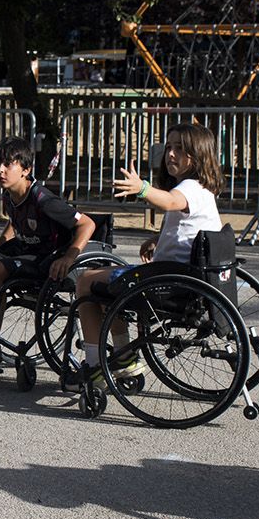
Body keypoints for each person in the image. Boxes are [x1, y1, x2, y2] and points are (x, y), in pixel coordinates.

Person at [63, 123, 225, 389]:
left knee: (85, 282)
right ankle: (123, 356)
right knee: (107, 286)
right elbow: (189, 232)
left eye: (179, 149)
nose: (170, 154)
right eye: (168, 147)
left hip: (169, 281)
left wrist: (142, 188)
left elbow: (171, 202)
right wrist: (158, 240)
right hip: (178, 276)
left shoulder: (190, 188)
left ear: (197, 155)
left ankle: (96, 366)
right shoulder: (203, 189)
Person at [0, 136, 97, 374]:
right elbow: (14, 222)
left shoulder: (42, 198)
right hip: (25, 249)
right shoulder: (8, 195)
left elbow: (88, 224)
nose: (0, 170)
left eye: (8, 164)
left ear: (26, 170)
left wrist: (69, 257)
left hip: (47, 256)